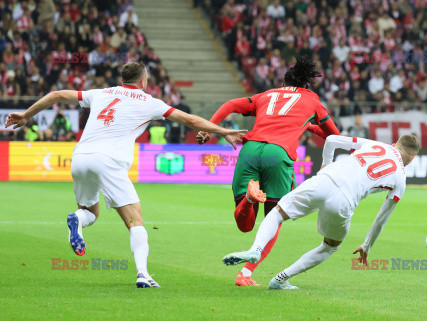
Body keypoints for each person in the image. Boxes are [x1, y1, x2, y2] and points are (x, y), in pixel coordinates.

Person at [4, 61, 247, 288]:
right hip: (109, 161)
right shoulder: (149, 102)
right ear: (143, 81)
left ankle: (77, 219)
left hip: (79, 156)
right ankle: (143, 273)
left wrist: (26, 115)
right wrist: (222, 130)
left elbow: (57, 95)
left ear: (123, 79)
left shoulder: (101, 93)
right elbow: (189, 120)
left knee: (90, 211)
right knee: (135, 220)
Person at [197, 55, 340, 286]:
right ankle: (245, 273)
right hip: (279, 154)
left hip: (250, 149)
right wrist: (312, 126)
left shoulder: (267, 95)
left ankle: (248, 199)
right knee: (275, 219)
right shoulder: (312, 100)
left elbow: (230, 105)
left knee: (245, 225)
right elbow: (335, 136)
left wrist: (210, 129)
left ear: (284, 83)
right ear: (306, 84)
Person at [223, 133, 420, 290]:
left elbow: (332, 140)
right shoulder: (400, 179)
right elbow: (381, 219)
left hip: (324, 179)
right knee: (330, 246)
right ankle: (280, 279)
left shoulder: (377, 145)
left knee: (277, 213)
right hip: (344, 200)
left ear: (394, 144)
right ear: (411, 158)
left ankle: (255, 250)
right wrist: (366, 246)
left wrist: (325, 166)